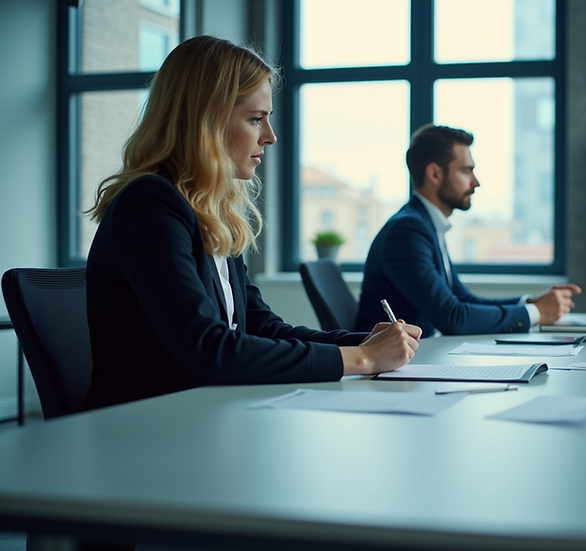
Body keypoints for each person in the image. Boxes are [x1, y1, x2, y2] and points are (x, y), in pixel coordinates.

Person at [85, 36, 421, 410]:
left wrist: (361, 343)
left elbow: (262, 329)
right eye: (256, 119)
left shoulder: (212, 212)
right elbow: (209, 351)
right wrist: (364, 360)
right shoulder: (149, 205)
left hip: (204, 417)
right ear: (206, 121)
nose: (271, 137)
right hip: (146, 430)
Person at [355, 124, 582, 337]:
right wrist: (538, 313)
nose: (476, 182)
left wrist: (531, 304)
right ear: (434, 174)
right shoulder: (407, 231)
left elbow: (462, 299)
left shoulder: (425, 224)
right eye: (466, 171)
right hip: (384, 371)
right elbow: (453, 318)